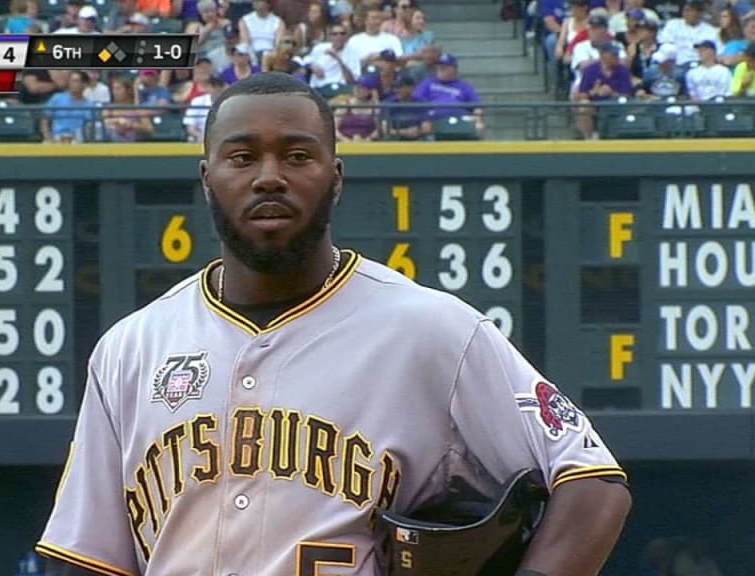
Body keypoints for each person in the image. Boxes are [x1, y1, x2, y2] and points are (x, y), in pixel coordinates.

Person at [35, 71, 632, 576]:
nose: (269, 175)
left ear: (336, 177)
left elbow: (592, 483)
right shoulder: (131, 348)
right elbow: (89, 555)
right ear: (207, 179)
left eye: (297, 155)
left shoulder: (432, 329)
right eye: (242, 157)